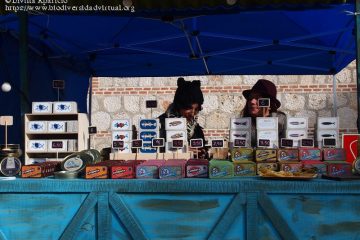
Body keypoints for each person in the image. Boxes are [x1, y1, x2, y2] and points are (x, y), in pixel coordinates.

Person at [158, 77, 207, 158]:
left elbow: (203, 148)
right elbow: (156, 151)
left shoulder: (196, 127)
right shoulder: (161, 124)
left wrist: (202, 151)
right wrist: (182, 150)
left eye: (197, 109)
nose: (193, 113)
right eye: (189, 108)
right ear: (179, 106)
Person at [240, 79, 286, 147]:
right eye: (250, 98)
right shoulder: (243, 123)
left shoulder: (281, 121)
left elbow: (287, 150)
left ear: (269, 104)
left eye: (258, 98)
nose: (252, 101)